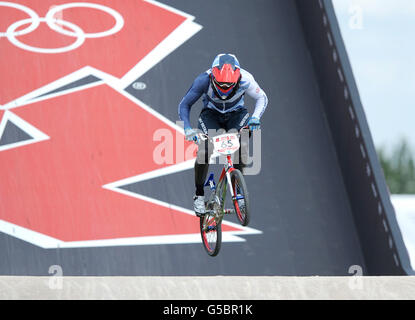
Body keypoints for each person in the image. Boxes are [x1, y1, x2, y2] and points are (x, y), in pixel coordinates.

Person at [178, 53, 268, 216]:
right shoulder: (203, 80)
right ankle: (199, 194)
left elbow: (262, 97)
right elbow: (184, 105)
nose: (225, 90)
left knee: (243, 146)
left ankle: (238, 187)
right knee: (204, 152)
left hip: (237, 114)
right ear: (212, 77)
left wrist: (255, 117)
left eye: (229, 86)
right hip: (211, 115)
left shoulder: (246, 79)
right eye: (220, 85)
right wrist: (188, 129)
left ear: (237, 79)